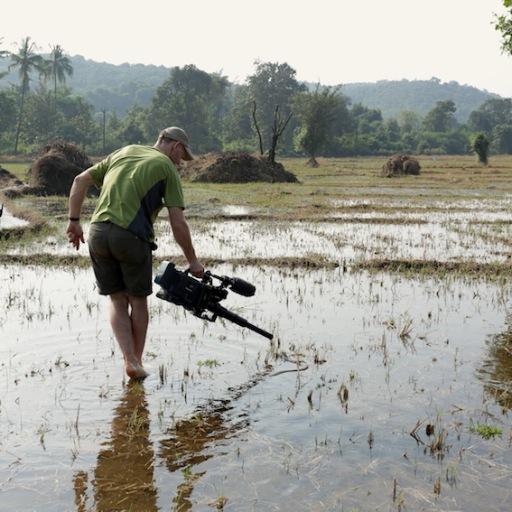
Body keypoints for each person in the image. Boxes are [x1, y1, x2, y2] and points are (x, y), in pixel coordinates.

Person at [66, 127, 204, 379]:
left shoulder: (125, 151)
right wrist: (193, 261)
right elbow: (178, 222)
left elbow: (79, 180)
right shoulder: (166, 168)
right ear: (176, 147)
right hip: (130, 236)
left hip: (97, 233)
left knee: (118, 299)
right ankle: (135, 362)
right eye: (181, 157)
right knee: (138, 301)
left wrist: (74, 220)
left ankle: (129, 359)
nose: (180, 163)